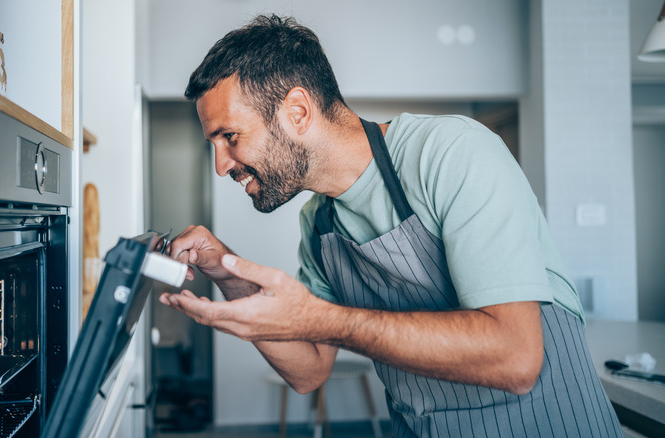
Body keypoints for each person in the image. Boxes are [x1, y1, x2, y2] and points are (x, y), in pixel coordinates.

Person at [158, 14, 623, 437]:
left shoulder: (450, 154)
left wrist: (323, 318)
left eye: (230, 137)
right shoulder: (319, 222)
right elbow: (309, 371)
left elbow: (516, 356)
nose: (221, 166)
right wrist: (226, 273)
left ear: (297, 112)